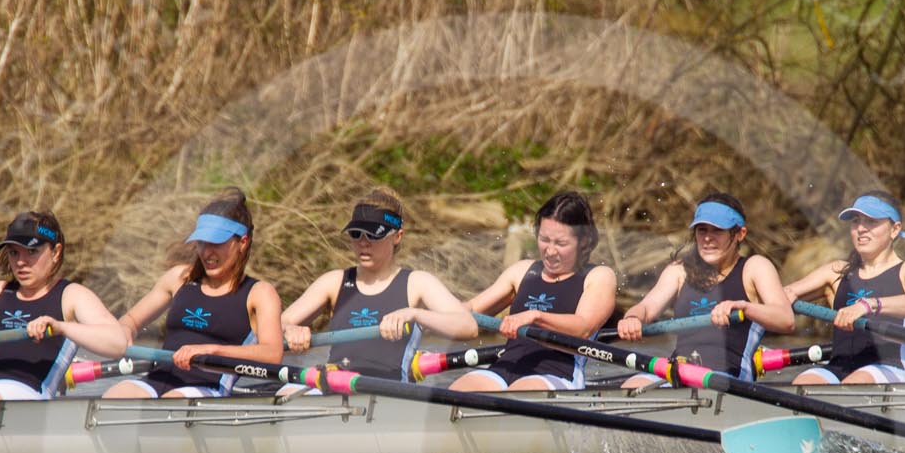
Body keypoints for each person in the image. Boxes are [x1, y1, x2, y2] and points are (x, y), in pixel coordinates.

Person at [0, 210, 129, 400]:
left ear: (56, 252)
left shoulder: (72, 296)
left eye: (32, 252)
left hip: (27, 389)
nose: (21, 262)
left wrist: (61, 327)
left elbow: (117, 343)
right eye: (14, 253)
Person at [280, 188, 478, 378]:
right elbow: (276, 325)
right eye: (356, 234)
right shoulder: (333, 282)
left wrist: (415, 314)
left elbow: (468, 326)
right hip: (336, 389)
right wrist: (290, 329)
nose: (363, 242)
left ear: (397, 237)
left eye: (374, 234)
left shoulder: (418, 283)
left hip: (391, 394)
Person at [108, 189, 284, 398]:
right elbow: (130, 320)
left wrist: (212, 350)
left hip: (207, 389)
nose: (207, 252)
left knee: (171, 403)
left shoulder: (260, 293)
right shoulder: (179, 278)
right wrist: (124, 330)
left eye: (216, 243)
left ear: (242, 243)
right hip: (156, 380)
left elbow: (272, 354)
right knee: (115, 396)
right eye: (202, 242)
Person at [614, 192, 793, 388]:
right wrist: (632, 318)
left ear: (740, 234)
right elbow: (647, 308)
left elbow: (785, 319)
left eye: (717, 230)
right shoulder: (679, 271)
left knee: (702, 385)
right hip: (679, 372)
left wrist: (745, 308)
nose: (707, 238)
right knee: (632, 385)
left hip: (728, 379)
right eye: (702, 230)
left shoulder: (755, 267)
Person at [451, 190, 617, 392]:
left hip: (557, 373)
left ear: (583, 241)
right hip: (504, 368)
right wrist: (423, 311)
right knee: (458, 390)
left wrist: (535, 317)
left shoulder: (598, 276)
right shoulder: (522, 271)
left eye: (561, 243)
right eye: (544, 239)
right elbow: (471, 309)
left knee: (521, 393)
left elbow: (583, 328)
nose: (550, 250)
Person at [781, 192, 905, 385]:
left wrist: (867, 306)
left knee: (854, 383)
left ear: (895, 229)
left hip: (889, 368)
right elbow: (782, 296)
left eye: (871, 221)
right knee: (804, 383)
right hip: (838, 367)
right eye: (856, 221)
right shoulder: (836, 272)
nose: (861, 229)